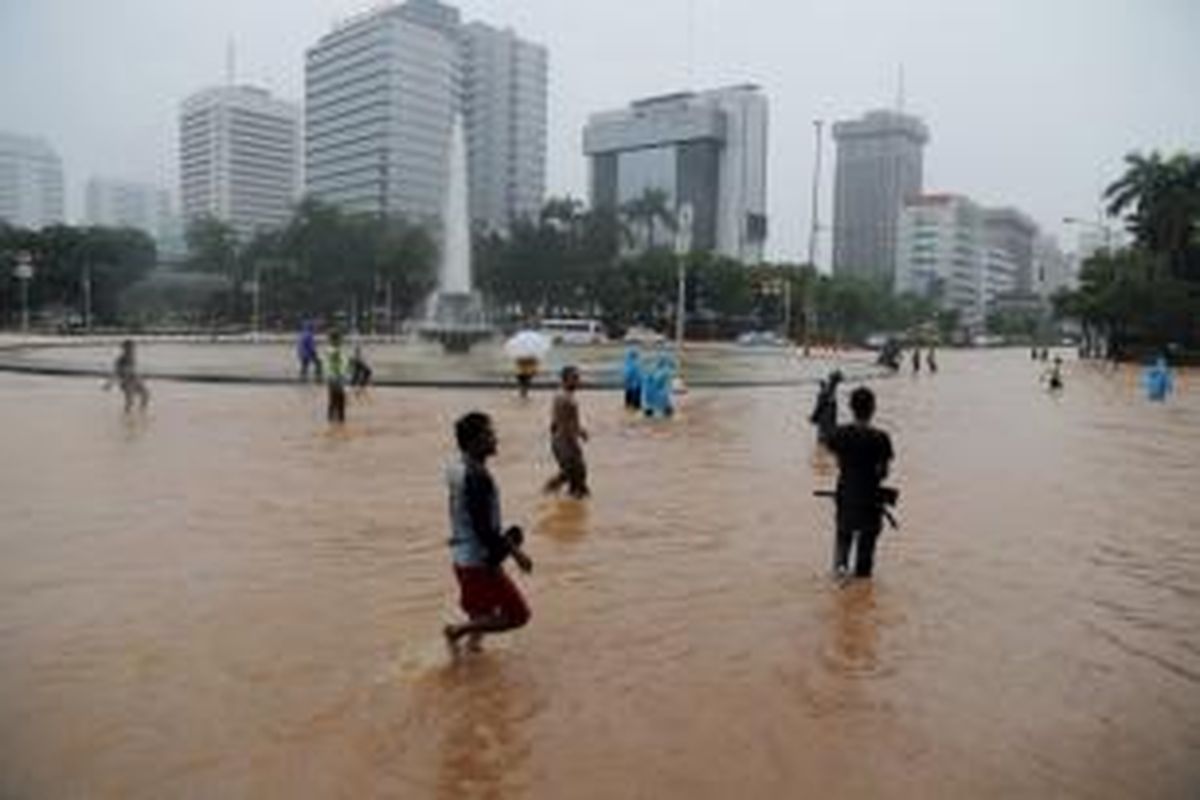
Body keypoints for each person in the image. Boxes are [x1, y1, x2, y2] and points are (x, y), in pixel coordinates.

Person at [443, 412, 533, 653]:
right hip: (478, 561)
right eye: (489, 434)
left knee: (481, 614)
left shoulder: (457, 467)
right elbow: (484, 530)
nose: (495, 439)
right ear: (474, 441)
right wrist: (516, 553)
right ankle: (456, 631)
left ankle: (471, 668)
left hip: (462, 554)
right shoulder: (477, 476)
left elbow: (466, 516)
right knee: (518, 615)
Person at [825, 387, 895, 579]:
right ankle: (861, 594)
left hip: (846, 496)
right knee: (865, 562)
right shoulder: (881, 438)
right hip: (870, 502)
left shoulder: (839, 434)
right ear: (873, 408)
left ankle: (839, 586)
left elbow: (833, 453)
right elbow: (883, 473)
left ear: (851, 407)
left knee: (842, 545)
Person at [543, 365, 590, 498]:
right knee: (577, 479)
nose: (578, 381)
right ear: (565, 379)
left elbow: (559, 423)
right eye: (574, 378)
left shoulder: (563, 396)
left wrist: (580, 431)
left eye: (578, 378)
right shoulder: (566, 399)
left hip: (561, 441)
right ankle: (549, 496)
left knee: (570, 476)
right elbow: (566, 425)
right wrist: (574, 445)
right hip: (565, 442)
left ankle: (547, 497)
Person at [105, 339, 150, 413]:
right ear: (125, 348)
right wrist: (110, 383)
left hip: (135, 378)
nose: (132, 349)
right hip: (127, 381)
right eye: (130, 347)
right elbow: (116, 372)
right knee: (130, 401)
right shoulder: (120, 360)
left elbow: (132, 369)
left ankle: (142, 411)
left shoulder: (132, 357)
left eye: (133, 347)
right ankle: (127, 416)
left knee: (146, 395)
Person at [809, 370, 843, 446]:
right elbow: (820, 406)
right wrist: (814, 417)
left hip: (827, 427)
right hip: (827, 427)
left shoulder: (828, 393)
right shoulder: (827, 393)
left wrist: (814, 417)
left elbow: (819, 407)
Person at [325, 330, 349, 423]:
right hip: (337, 378)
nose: (341, 340)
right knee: (340, 402)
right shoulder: (336, 351)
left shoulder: (330, 350)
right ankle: (340, 421)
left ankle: (331, 421)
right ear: (336, 339)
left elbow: (327, 365)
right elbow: (343, 365)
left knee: (333, 401)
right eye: (339, 339)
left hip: (331, 378)